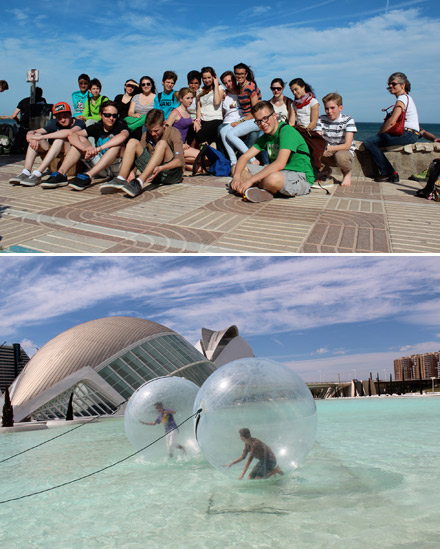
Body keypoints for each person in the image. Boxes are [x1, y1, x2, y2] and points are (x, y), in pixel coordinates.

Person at [230, 100, 314, 202]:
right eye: (258, 121)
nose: (263, 124)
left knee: (272, 179)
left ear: (274, 116)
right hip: (278, 172)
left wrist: (251, 180)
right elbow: (244, 157)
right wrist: (237, 177)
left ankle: (256, 186)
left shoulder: (287, 131)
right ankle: (263, 189)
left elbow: (280, 163)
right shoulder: (266, 136)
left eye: (265, 118)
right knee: (236, 168)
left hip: (299, 177)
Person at [41, 101, 129, 190]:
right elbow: (72, 135)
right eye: (107, 115)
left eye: (114, 116)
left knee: (117, 145)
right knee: (81, 140)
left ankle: (88, 176)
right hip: (101, 168)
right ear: (100, 115)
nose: (111, 118)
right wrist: (85, 148)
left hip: (117, 168)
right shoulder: (97, 126)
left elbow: (123, 136)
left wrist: (98, 149)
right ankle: (61, 174)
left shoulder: (120, 125)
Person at [99, 108, 184, 197]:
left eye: (156, 131)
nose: (153, 134)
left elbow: (179, 161)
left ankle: (139, 182)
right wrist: (132, 172)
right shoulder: (146, 134)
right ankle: (121, 178)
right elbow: (140, 157)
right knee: (132, 142)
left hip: (171, 174)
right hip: (153, 173)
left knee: (161, 144)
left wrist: (161, 168)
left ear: (163, 124)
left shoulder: (173, 132)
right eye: (150, 131)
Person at [9, 102, 85, 186]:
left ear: (70, 114)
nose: (62, 120)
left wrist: (42, 137)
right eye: (59, 118)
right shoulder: (54, 123)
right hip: (55, 164)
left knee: (59, 139)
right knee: (36, 137)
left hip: (71, 166)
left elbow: (69, 132)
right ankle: (26, 172)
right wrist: (30, 134)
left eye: (65, 116)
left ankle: (38, 173)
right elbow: (36, 131)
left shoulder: (79, 123)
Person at [363, 72, 420, 183]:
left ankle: (389, 173)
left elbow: (392, 121)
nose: (390, 86)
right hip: (411, 133)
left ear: (402, 85)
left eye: (394, 84)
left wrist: (379, 135)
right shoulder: (407, 98)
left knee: (370, 142)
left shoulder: (402, 99)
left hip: (408, 133)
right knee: (373, 142)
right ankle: (389, 173)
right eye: (389, 84)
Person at [220, 62, 262, 169]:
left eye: (242, 74)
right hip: (246, 118)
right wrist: (224, 92)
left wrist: (240, 122)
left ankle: (253, 160)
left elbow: (255, 110)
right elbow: (230, 88)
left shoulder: (250, 86)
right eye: (237, 74)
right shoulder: (240, 86)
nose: (239, 76)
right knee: (222, 131)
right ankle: (233, 162)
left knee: (230, 134)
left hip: (256, 119)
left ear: (246, 74)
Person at [315, 93, 357, 187]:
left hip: (343, 151)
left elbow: (347, 145)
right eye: (327, 108)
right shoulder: (321, 119)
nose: (329, 111)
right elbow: (318, 139)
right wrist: (323, 148)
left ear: (340, 108)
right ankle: (325, 170)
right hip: (328, 151)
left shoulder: (348, 120)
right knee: (312, 151)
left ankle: (347, 172)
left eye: (332, 108)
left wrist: (328, 148)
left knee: (341, 157)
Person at [166, 88, 199, 171]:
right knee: (203, 157)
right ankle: (175, 160)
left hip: (183, 146)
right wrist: (179, 144)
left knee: (199, 169)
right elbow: (166, 130)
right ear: (181, 99)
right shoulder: (175, 112)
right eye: (187, 98)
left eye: (192, 98)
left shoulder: (187, 112)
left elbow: (185, 122)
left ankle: (179, 162)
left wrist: (194, 122)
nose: (190, 101)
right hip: (176, 146)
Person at [194, 67, 224, 149]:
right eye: (204, 78)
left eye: (209, 77)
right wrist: (197, 121)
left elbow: (217, 102)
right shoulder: (199, 91)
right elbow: (199, 108)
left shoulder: (219, 88)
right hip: (203, 119)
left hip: (216, 119)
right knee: (193, 131)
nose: (207, 80)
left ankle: (207, 153)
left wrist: (216, 84)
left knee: (200, 134)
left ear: (213, 77)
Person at [218, 70, 242, 156]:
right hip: (227, 122)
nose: (228, 84)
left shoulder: (242, 92)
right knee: (220, 129)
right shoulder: (224, 95)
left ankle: (240, 156)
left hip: (240, 121)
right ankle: (224, 159)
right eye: (225, 83)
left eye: (230, 81)